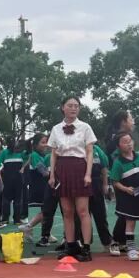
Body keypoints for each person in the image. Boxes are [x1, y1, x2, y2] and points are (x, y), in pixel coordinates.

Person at [48, 96, 97, 262]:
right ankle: (70, 246)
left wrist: (88, 173)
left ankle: (86, 247)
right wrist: (52, 174)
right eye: (70, 105)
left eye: (76, 106)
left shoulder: (85, 127)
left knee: (83, 211)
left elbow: (90, 152)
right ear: (63, 107)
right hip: (62, 168)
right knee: (67, 211)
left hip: (80, 167)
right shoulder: (55, 129)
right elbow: (53, 154)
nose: (73, 108)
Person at [108, 132, 139, 260]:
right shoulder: (118, 163)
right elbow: (115, 181)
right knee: (130, 222)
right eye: (125, 142)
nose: (129, 143)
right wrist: (126, 189)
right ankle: (131, 249)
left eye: (130, 140)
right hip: (129, 197)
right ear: (119, 146)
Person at [0, 137, 27, 225]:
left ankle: (17, 219)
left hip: (19, 180)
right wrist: (1, 176)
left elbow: (29, 158)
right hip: (7, 180)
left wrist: (23, 167)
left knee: (18, 200)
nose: (14, 144)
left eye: (15, 142)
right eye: (12, 142)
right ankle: (5, 218)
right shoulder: (4, 152)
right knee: (6, 200)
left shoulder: (21, 152)